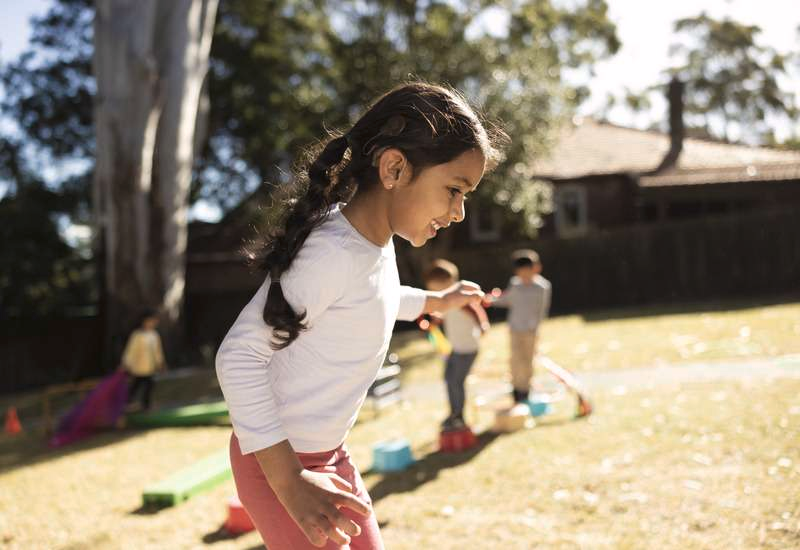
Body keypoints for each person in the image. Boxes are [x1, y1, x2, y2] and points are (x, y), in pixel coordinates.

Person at [215, 82, 507, 549]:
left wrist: (436, 301)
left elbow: (377, 297)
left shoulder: (372, 242)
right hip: (281, 464)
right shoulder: (332, 250)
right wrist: (290, 482)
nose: (459, 212)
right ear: (394, 167)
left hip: (327, 455)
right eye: (454, 190)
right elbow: (237, 358)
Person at [423, 259, 489, 432]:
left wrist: (483, 325)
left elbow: (475, 309)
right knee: (448, 379)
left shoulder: (459, 298)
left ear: (448, 283)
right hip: (456, 348)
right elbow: (444, 313)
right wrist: (436, 321)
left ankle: (458, 416)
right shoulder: (445, 300)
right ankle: (454, 413)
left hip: (467, 348)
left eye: (436, 288)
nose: (434, 293)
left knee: (456, 382)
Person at [491, 249, 551, 404]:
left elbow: (542, 310)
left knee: (527, 361)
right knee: (515, 360)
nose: (523, 276)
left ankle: (526, 390)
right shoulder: (515, 284)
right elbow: (507, 300)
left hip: (531, 330)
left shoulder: (542, 287)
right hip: (515, 329)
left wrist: (536, 328)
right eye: (520, 272)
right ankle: (516, 389)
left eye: (526, 272)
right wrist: (490, 300)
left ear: (535, 269)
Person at [120, 309, 166, 412]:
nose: (152, 323)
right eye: (150, 321)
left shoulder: (154, 335)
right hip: (138, 367)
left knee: (149, 385)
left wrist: (160, 363)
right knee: (135, 386)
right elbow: (130, 351)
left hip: (150, 368)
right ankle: (126, 404)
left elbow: (158, 351)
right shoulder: (137, 335)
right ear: (144, 321)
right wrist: (126, 363)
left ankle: (146, 406)